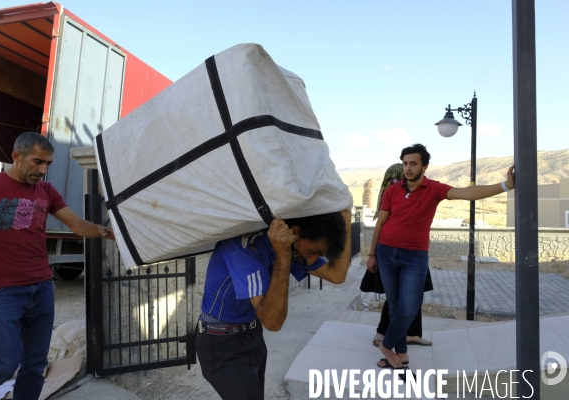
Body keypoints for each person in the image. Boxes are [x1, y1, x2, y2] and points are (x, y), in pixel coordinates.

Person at [0, 132, 115, 400]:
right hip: (1, 292)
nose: (43, 170)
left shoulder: (46, 191)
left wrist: (105, 231)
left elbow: (76, 225)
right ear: (16, 156)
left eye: (47, 163)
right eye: (37, 162)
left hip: (41, 290)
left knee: (35, 366)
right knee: (0, 368)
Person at [366, 143, 514, 373]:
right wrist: (371, 254)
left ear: (424, 166)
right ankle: (401, 353)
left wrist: (505, 186)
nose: (408, 168)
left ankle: (386, 346)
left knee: (409, 307)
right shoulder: (392, 191)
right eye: (405, 163)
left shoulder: (434, 189)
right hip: (386, 252)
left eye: (413, 163)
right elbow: (380, 223)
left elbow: (467, 193)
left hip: (415, 256)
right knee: (395, 306)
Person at [196, 210, 351, 399]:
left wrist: (346, 221)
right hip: (220, 342)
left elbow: (337, 274)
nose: (311, 259)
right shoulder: (244, 249)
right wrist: (284, 255)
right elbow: (272, 322)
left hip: (252, 335)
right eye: (314, 252)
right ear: (295, 232)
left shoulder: (293, 248)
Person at [359, 163, 433, 347]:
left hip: (414, 252)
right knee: (398, 299)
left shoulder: (410, 194)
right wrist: (372, 254)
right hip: (393, 253)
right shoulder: (394, 196)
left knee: (415, 294)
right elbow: (381, 227)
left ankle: (413, 334)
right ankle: (382, 333)